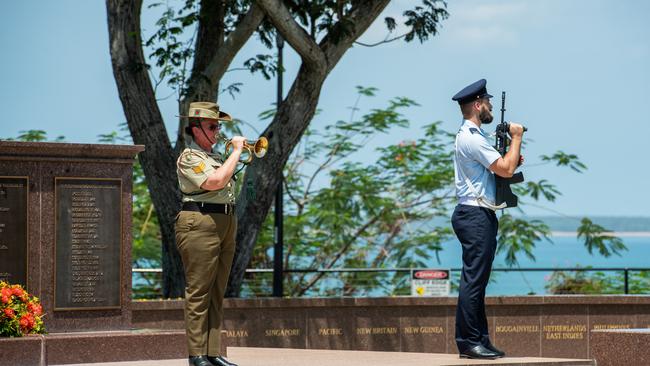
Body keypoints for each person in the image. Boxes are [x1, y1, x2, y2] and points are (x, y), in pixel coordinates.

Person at [450, 79, 524, 360]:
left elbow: (503, 167)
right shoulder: (472, 137)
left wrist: (512, 156)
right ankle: (468, 342)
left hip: (479, 214)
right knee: (473, 280)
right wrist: (516, 138)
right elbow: (505, 169)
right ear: (478, 105)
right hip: (475, 215)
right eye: (488, 102)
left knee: (477, 281)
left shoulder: (472, 135)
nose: (491, 106)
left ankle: (479, 338)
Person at [175, 101, 246, 366]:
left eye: (218, 126)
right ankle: (196, 355)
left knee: (217, 290)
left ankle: (213, 352)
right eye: (212, 127)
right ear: (196, 129)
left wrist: (236, 155)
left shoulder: (216, 157)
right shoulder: (189, 157)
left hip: (226, 220)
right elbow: (214, 182)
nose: (217, 132)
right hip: (199, 221)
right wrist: (237, 151)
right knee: (199, 291)